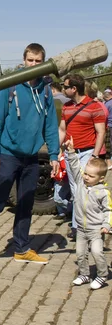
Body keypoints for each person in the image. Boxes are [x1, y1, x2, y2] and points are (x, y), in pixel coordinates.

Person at [0, 43, 59, 267]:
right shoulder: (9, 85)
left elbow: (50, 124)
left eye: (38, 61)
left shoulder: (45, 89)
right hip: (8, 154)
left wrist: (55, 154)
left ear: (43, 62)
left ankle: (21, 248)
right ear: (24, 60)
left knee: (26, 203)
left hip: (30, 157)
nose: (34, 65)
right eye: (31, 60)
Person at [58, 74, 106, 239]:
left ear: (74, 89)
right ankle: (82, 225)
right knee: (75, 190)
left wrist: (94, 154)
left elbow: (101, 132)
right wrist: (57, 151)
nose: (63, 89)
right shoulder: (66, 107)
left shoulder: (95, 107)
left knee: (81, 189)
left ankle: (79, 227)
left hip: (87, 152)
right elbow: (62, 130)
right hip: (71, 153)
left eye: (65, 87)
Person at [64, 136, 111, 290]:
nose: (86, 177)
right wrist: (71, 151)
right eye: (86, 174)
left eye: (91, 176)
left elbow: (108, 210)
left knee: (97, 252)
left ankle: (102, 275)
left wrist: (107, 225)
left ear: (100, 178)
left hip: (96, 229)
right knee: (80, 253)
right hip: (81, 228)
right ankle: (84, 274)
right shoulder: (80, 183)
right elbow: (75, 166)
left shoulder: (103, 192)